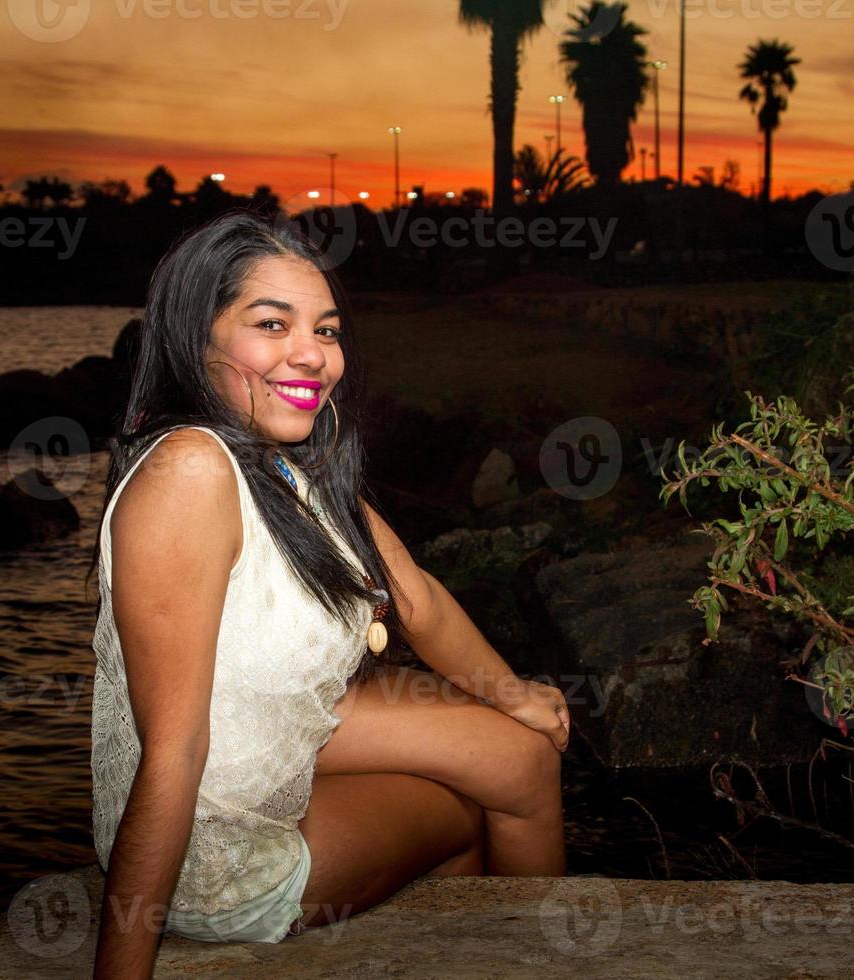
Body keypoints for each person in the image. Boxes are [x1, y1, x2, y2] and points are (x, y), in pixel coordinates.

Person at [88, 209, 569, 978]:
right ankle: (502, 960)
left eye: (327, 329)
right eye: (272, 325)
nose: (311, 355)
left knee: (518, 757)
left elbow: (416, 597)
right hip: (211, 847)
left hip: (269, 734)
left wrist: (514, 697)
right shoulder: (189, 471)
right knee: (461, 810)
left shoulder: (285, 463)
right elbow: (172, 751)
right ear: (195, 334)